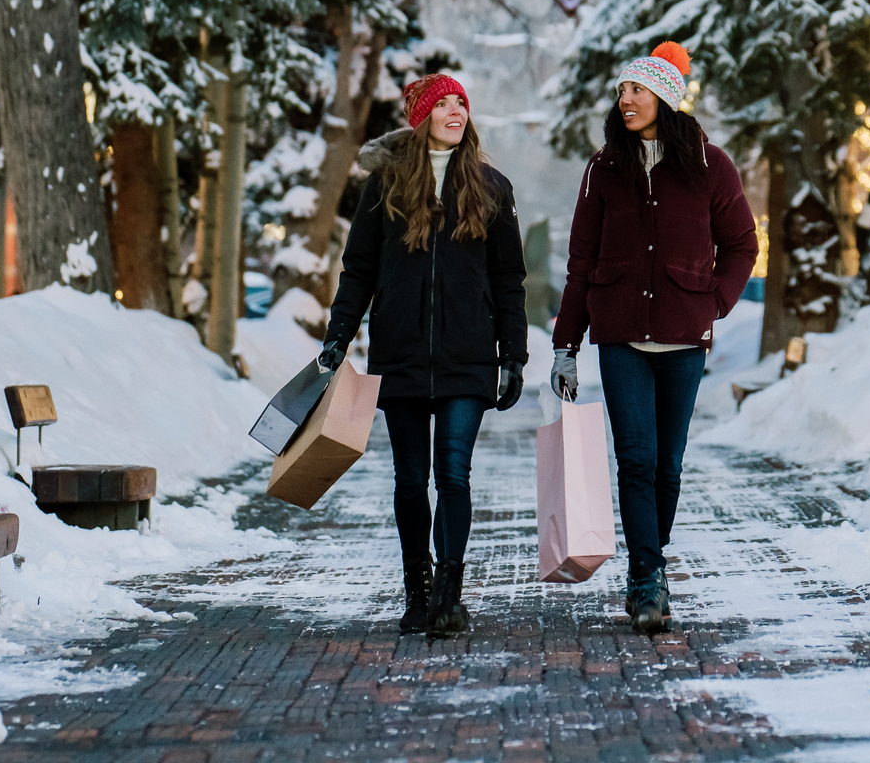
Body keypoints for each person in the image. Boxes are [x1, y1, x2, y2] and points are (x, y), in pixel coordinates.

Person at [551, 42, 758, 633]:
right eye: (621, 91)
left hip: (683, 338)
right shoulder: (603, 168)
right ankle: (646, 575)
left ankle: (652, 561)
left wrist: (713, 300)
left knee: (668, 464)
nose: (624, 100)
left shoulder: (710, 165)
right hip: (620, 338)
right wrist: (566, 344)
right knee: (636, 460)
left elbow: (743, 243)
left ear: (664, 97)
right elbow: (581, 259)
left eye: (635, 90)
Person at [321, 73, 527, 637]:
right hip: (402, 354)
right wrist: (339, 334)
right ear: (421, 117)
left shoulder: (492, 188)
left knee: (452, 475)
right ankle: (418, 591)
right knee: (410, 480)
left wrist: (514, 353)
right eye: (444, 104)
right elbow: (359, 270)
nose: (456, 111)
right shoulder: (385, 188)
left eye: (462, 102)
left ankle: (448, 595)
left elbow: (509, 278)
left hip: (467, 356)